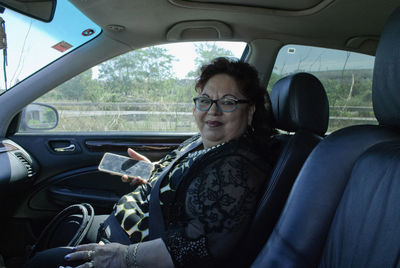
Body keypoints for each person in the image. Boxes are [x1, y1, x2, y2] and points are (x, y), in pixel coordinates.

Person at [26, 57, 277, 268]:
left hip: (136, 255)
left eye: (228, 102)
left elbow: (197, 247)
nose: (213, 110)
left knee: (41, 262)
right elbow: (189, 185)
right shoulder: (203, 143)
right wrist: (155, 172)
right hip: (124, 232)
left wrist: (122, 257)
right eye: (205, 100)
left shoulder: (237, 169)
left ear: (250, 111)